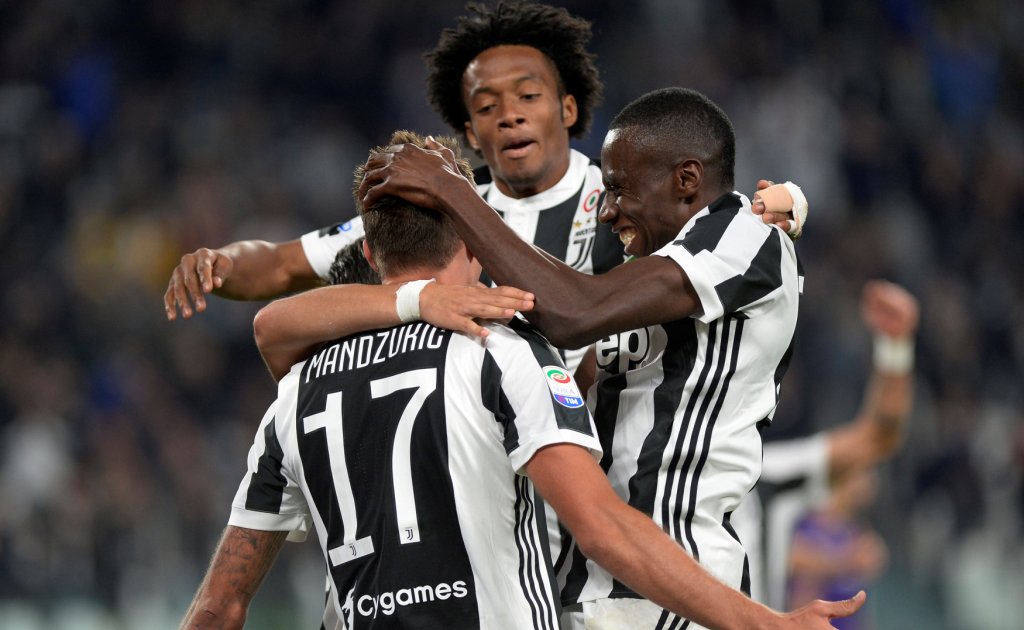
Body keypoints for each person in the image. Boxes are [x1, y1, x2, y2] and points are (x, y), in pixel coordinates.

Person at [179, 131, 862, 630]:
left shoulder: (296, 396)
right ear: (477, 243)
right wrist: (761, 624)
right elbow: (602, 530)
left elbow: (218, 607)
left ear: (365, 251)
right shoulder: (505, 356)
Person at [340, 85, 800, 629]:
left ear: (687, 179)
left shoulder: (746, 236)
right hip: (589, 587)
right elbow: (570, 346)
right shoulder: (644, 284)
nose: (607, 212)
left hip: (674, 589)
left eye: (619, 190)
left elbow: (571, 311)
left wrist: (451, 194)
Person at [162, 1, 803, 374]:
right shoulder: (434, 210)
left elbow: (721, 224)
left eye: (529, 96)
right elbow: (277, 266)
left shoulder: (618, 202)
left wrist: (786, 201)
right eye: (489, 105)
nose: (511, 114)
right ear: (470, 128)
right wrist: (219, 264)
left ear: (569, 110)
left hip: (593, 487)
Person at [732, 279, 919, 610]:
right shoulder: (633, 460)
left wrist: (895, 348)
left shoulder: (765, 474)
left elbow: (878, 436)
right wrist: (844, 560)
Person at [786, 466, 888, 630]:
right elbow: (800, 593)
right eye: (864, 474)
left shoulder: (855, 531)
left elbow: (862, 607)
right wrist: (846, 561)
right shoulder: (812, 525)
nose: (871, 482)